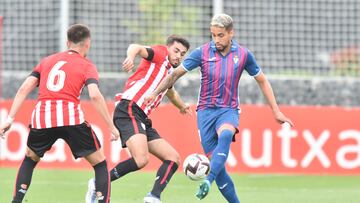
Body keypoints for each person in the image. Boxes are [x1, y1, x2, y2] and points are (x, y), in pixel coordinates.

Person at [144, 14, 294, 202]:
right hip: (205, 113)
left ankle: (208, 180)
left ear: (231, 33)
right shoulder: (202, 53)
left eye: (220, 35)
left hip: (228, 110)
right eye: (213, 35)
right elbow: (174, 75)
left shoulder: (244, 55)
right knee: (220, 170)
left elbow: (262, 80)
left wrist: (276, 111)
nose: (216, 40)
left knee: (225, 135)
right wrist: (154, 92)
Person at [0, 24, 120, 203]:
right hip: (71, 118)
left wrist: (9, 119)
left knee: (30, 159)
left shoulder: (47, 61)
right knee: (100, 164)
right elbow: (95, 95)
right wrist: (111, 127)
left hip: (42, 118)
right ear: (88, 44)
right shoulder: (87, 66)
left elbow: (25, 88)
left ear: (67, 42)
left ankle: (16, 201)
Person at [85, 35, 191, 203]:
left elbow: (171, 93)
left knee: (173, 158)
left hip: (142, 117)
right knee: (141, 159)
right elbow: (136, 47)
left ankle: (153, 197)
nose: (178, 55)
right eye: (176, 51)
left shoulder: (170, 72)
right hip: (130, 108)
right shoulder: (160, 54)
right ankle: (99, 183)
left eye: (182, 53)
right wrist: (130, 57)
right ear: (168, 48)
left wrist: (182, 106)